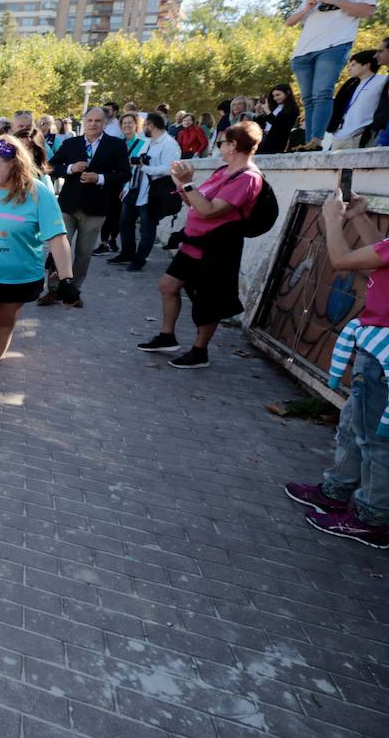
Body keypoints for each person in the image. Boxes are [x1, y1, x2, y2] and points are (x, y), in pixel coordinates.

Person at [284, 192, 389, 548]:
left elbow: (343, 259)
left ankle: (371, 517)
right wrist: (359, 216)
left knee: (375, 438)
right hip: (375, 347)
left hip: (382, 354)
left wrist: (332, 218)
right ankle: (337, 490)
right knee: (355, 425)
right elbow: (380, 254)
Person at [0, 135, 76, 411]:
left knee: (3, 323)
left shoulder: (37, 193)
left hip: (18, 276)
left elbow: (57, 237)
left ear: (14, 164)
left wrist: (66, 279)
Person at [137, 121, 265, 368]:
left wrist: (187, 184)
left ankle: (200, 351)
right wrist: (183, 183)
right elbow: (197, 202)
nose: (220, 147)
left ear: (234, 145)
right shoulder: (223, 171)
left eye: (223, 142)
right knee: (167, 286)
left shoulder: (247, 178)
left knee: (208, 302)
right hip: (194, 243)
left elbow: (209, 210)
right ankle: (167, 336)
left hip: (217, 249)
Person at [38, 107, 130, 307]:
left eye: (98, 120)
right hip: (68, 206)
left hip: (96, 208)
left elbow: (124, 174)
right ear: (84, 121)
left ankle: (74, 291)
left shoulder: (116, 145)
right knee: (58, 247)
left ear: (104, 123)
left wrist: (100, 178)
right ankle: (53, 289)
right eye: (90, 120)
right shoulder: (71, 144)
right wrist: (71, 168)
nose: (93, 124)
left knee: (84, 252)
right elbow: (51, 167)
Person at [288, 0, 378, 151]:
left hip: (333, 45)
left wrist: (335, 0)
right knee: (309, 98)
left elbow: (368, 11)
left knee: (323, 93)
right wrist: (307, 8)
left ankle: (317, 141)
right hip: (303, 51)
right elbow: (289, 22)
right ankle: (309, 142)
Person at [109, 112, 182, 271]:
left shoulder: (170, 144)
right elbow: (137, 164)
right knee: (125, 223)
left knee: (147, 229)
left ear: (151, 126)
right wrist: (127, 186)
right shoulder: (148, 141)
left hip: (152, 194)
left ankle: (139, 259)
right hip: (135, 189)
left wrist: (146, 168)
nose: (144, 128)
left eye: (146, 125)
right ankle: (127, 253)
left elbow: (170, 168)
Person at [98, 112, 147, 254]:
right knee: (108, 213)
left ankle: (114, 240)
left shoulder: (143, 144)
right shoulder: (116, 142)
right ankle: (104, 243)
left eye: (130, 122)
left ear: (137, 125)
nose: (126, 125)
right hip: (113, 183)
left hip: (130, 185)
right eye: (124, 123)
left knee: (121, 216)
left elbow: (138, 167)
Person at [324, 51, 384, 150]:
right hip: (338, 135)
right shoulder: (350, 85)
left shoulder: (382, 81)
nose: (349, 68)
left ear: (366, 65)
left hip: (359, 136)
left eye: (353, 65)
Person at [254, 85, 299, 154]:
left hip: (276, 141)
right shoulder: (273, 107)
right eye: (274, 96)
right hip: (262, 139)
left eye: (278, 95)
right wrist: (257, 112)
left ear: (287, 93)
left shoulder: (292, 108)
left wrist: (267, 111)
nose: (275, 98)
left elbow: (279, 126)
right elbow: (260, 125)